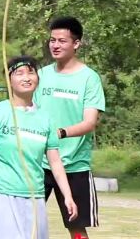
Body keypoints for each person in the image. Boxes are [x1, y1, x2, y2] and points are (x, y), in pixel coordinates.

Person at [0, 56, 78, 239]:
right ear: (9, 81)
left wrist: (67, 196)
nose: (26, 78)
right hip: (0, 192)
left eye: (31, 72)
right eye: (19, 73)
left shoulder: (45, 119)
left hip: (34, 194)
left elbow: (55, 162)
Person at [35, 17, 106, 239]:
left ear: (76, 43)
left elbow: (90, 122)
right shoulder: (41, 75)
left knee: (76, 227)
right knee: (27, 222)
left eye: (62, 41)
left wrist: (60, 133)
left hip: (74, 166)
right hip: (39, 163)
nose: (55, 45)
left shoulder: (89, 78)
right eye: (52, 40)